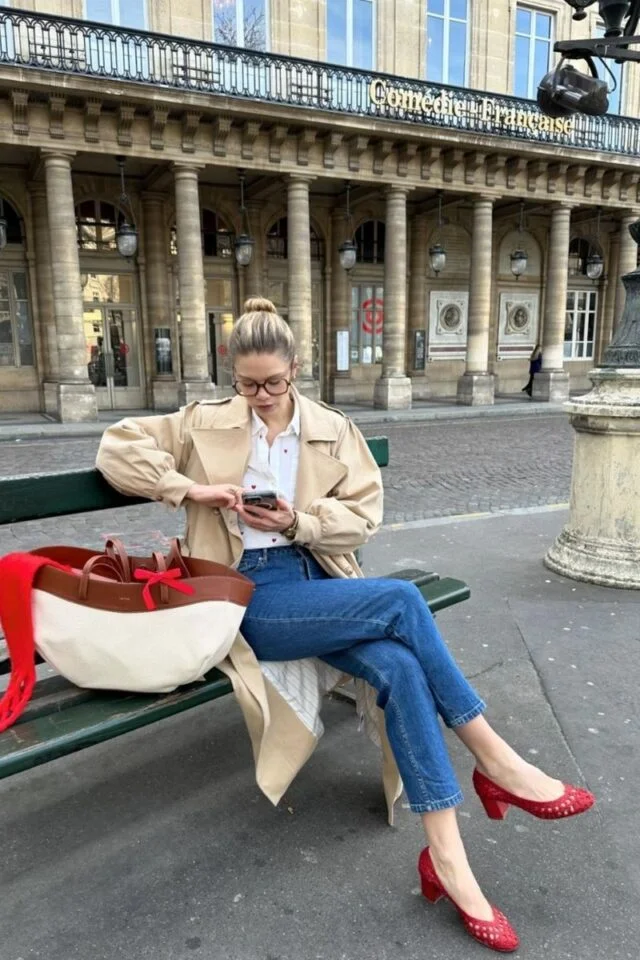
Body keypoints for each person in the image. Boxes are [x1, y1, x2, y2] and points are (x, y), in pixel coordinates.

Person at [97, 298, 593, 953]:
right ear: (233, 378)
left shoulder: (329, 427)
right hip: (246, 597)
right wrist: (192, 492)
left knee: (402, 666)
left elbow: (363, 515)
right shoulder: (203, 422)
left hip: (318, 581)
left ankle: (447, 859)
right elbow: (117, 448)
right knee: (401, 605)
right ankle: (496, 759)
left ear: (295, 368)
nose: (263, 397)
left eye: (274, 382)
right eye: (248, 385)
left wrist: (299, 522)